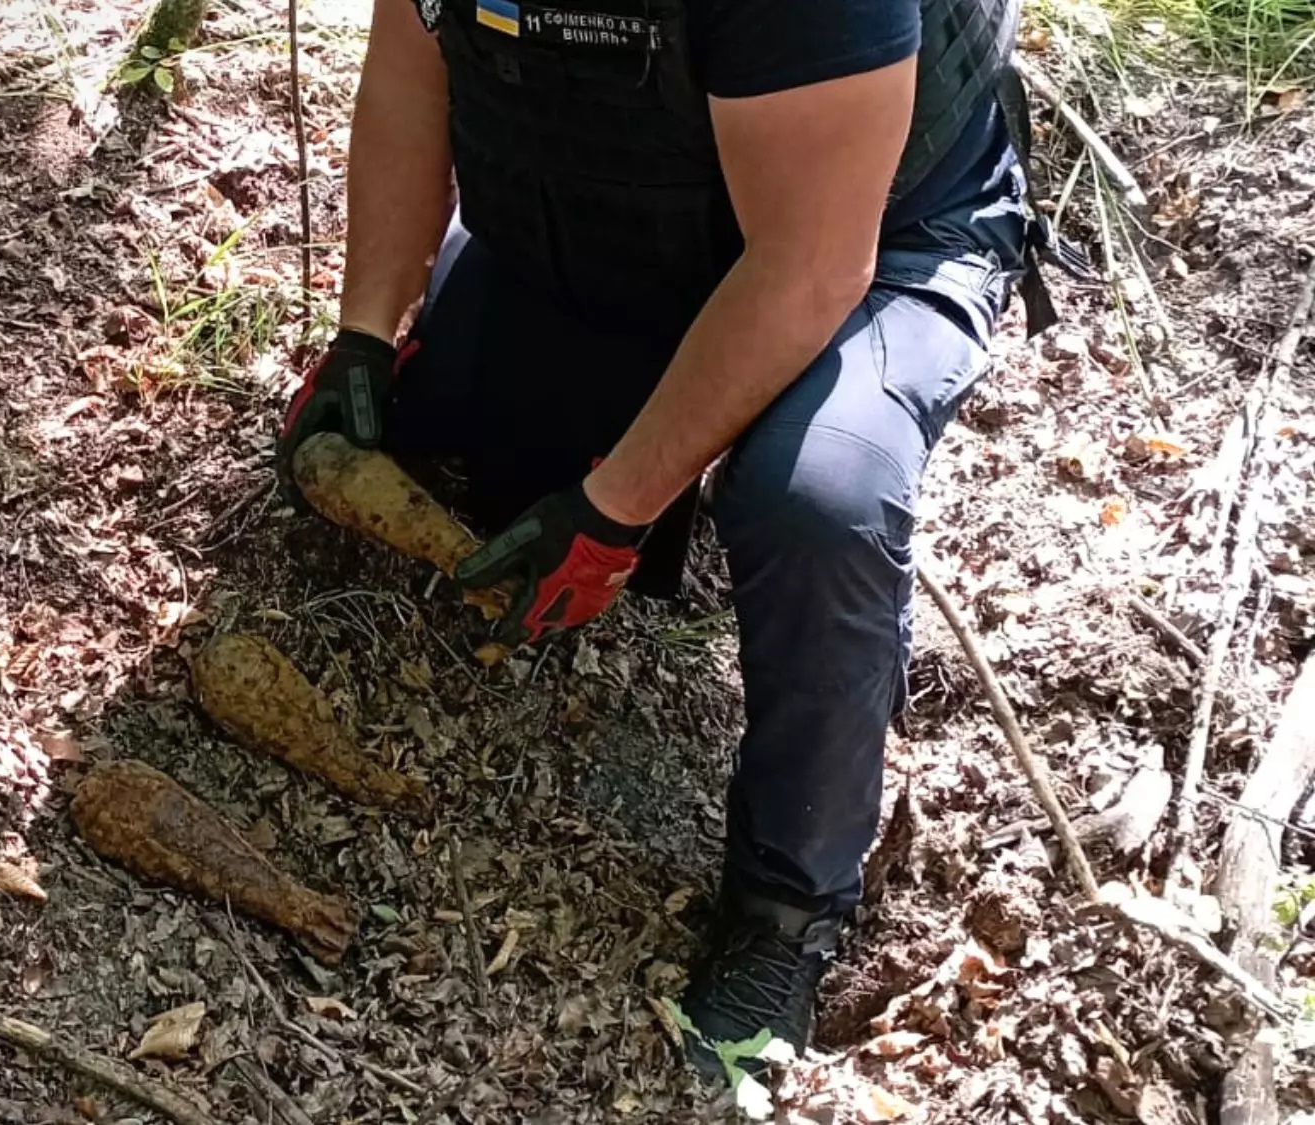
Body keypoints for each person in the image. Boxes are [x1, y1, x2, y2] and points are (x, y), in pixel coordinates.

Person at [274, 0, 1080, 1077]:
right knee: (455, 422)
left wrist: (615, 507)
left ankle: (788, 902)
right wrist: (365, 336)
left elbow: (808, 265)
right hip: (608, 208)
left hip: (867, 233)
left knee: (817, 500)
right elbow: (411, 70)